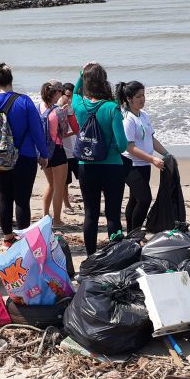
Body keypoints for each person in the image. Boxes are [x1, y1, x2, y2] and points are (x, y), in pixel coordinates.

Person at [0, 63, 49, 248]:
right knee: (22, 200)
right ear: (11, 79)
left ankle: (8, 239)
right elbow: (37, 130)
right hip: (25, 156)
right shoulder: (24, 101)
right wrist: (44, 153)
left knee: (4, 197)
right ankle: (23, 240)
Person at [72, 62, 129, 254]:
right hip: (112, 167)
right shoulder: (112, 108)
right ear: (104, 81)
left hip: (86, 165)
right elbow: (122, 145)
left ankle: (90, 256)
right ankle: (115, 256)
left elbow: (75, 93)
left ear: (86, 83)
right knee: (113, 215)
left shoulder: (79, 106)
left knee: (90, 214)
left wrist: (82, 73)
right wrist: (109, 149)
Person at [116, 80, 169, 232]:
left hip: (144, 165)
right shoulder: (127, 119)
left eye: (143, 95)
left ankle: (131, 233)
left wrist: (166, 154)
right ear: (128, 99)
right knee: (145, 199)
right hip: (130, 165)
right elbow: (129, 147)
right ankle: (136, 233)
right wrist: (153, 159)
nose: (142, 99)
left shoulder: (143, 115)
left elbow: (151, 138)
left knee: (135, 199)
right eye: (138, 96)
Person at [40, 80, 79, 227]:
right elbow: (71, 130)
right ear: (56, 93)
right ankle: (56, 220)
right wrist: (69, 111)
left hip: (43, 151)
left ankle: (45, 216)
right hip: (57, 150)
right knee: (58, 186)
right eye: (61, 92)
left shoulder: (39, 107)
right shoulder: (59, 111)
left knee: (50, 184)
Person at [61, 82, 79, 213]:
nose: (69, 99)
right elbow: (58, 134)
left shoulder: (77, 108)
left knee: (84, 179)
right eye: (67, 96)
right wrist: (75, 131)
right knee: (64, 182)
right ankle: (67, 205)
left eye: (72, 96)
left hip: (78, 151)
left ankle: (89, 204)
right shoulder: (60, 110)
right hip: (65, 152)